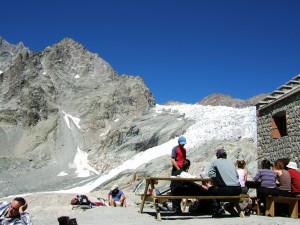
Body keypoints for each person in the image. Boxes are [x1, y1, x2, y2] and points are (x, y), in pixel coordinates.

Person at [208, 148, 242, 217]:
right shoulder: (231, 162)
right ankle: (230, 206)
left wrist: (217, 180)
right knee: (232, 193)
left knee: (210, 190)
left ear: (217, 155)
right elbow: (237, 176)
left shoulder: (215, 162)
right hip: (238, 189)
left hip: (225, 189)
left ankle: (218, 208)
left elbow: (211, 174)